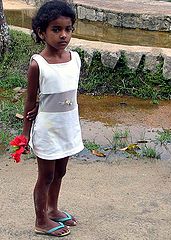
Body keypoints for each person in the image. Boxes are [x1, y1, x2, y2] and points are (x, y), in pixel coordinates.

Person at [22, 0, 84, 237]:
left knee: (60, 173)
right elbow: (30, 102)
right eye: (56, 30)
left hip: (67, 126)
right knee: (46, 175)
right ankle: (41, 221)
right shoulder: (38, 64)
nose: (63, 35)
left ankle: (52, 208)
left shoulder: (75, 59)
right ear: (42, 32)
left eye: (68, 29)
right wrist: (25, 135)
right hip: (48, 130)